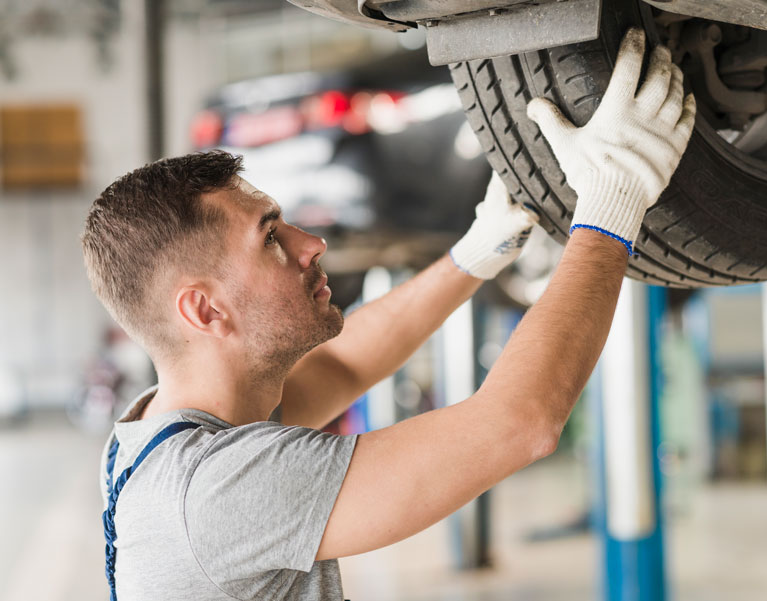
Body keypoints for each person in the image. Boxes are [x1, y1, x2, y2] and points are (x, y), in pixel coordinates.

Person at [83, 27, 694, 601]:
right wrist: (614, 201)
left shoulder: (158, 433)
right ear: (205, 309)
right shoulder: (216, 493)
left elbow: (345, 365)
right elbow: (518, 424)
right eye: (270, 238)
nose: (311, 243)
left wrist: (476, 254)